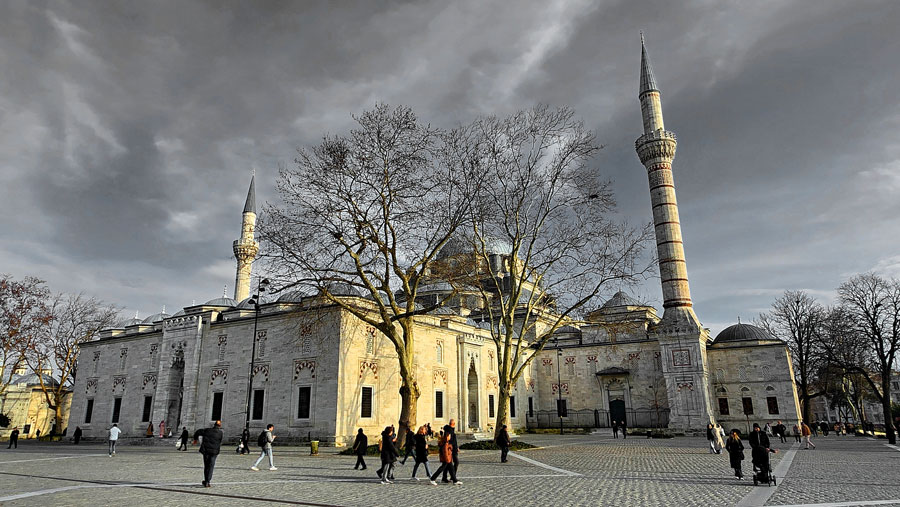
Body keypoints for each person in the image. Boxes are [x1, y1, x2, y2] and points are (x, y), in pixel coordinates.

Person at [194, 420, 224, 487]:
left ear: (214, 425)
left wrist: (195, 439)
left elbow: (198, 432)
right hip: (214, 452)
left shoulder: (207, 430)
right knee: (211, 466)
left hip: (206, 451)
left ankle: (206, 480)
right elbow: (220, 441)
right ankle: (208, 481)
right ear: (219, 426)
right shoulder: (220, 433)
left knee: (206, 465)